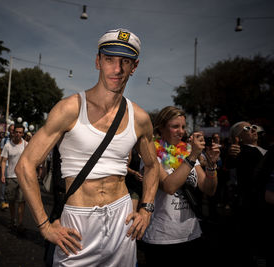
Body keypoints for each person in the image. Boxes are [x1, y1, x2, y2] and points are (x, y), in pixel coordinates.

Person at [15, 29, 159, 266]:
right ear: (98, 61)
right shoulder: (70, 108)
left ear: (134, 67)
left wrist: (146, 209)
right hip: (78, 225)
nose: (117, 68)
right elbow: (25, 166)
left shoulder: (139, 117)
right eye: (110, 59)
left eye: (125, 61)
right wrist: (44, 226)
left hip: (122, 223)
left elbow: (153, 166)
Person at [141, 106, 220, 267]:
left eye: (183, 127)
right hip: (162, 238)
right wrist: (192, 156)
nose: (181, 131)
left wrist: (211, 165)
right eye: (175, 126)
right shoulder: (151, 154)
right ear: (161, 128)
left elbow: (208, 188)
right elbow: (169, 186)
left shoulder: (187, 152)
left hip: (192, 234)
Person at [227, 121, 268, 266]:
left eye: (253, 127)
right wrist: (232, 152)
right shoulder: (242, 151)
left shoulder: (266, 149)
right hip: (255, 204)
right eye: (247, 129)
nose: (252, 130)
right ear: (238, 138)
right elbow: (231, 162)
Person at [0, 124, 28, 231]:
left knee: (21, 201)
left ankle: (20, 223)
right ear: (13, 132)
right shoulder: (8, 145)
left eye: (20, 132)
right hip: (10, 176)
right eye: (16, 132)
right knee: (11, 201)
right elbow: (3, 161)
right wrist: (3, 175)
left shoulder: (26, 144)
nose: (18, 134)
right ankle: (12, 220)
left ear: (23, 133)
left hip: (22, 178)